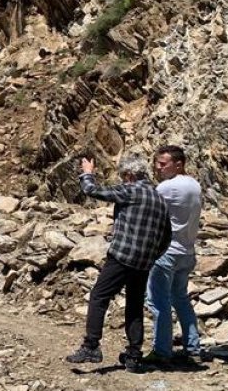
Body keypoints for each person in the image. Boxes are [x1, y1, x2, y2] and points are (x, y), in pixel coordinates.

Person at [66, 154, 171, 373]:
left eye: (124, 176)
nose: (122, 180)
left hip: (122, 256)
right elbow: (166, 236)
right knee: (134, 306)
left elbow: (93, 191)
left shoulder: (131, 190)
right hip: (143, 263)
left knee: (99, 296)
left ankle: (91, 346)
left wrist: (87, 173)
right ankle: (134, 355)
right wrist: (151, 256)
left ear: (130, 175)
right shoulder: (159, 198)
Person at [144, 145, 203, 364]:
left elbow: (146, 205)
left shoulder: (167, 188)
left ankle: (161, 351)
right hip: (187, 252)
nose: (158, 168)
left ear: (178, 164)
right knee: (181, 299)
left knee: (159, 302)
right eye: (157, 164)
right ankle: (193, 347)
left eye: (163, 164)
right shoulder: (194, 185)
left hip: (167, 252)